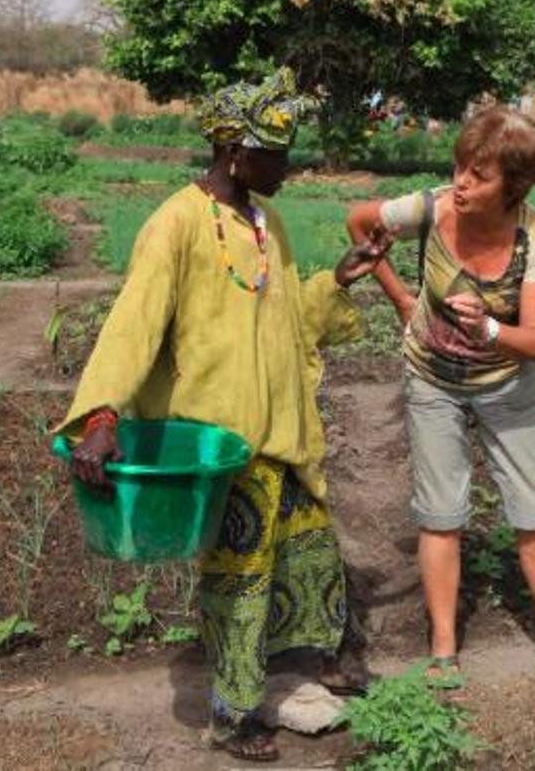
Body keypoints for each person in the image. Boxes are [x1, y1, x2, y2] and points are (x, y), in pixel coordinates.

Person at [56, 68, 393, 762]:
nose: (290, 166)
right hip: (223, 444)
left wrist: (337, 277)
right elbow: (134, 324)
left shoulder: (268, 224)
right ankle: (233, 715)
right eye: (278, 153)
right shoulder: (176, 225)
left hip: (282, 433)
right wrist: (101, 415)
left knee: (309, 555)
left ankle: (320, 661)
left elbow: (290, 318)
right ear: (235, 153)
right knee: (238, 582)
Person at [345, 106, 535, 683]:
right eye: (460, 167)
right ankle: (442, 646)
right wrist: (402, 299)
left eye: (479, 176)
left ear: (513, 187)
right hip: (431, 379)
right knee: (441, 514)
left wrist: (487, 327)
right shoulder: (429, 208)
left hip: (505, 381)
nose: (462, 183)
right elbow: (360, 223)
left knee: (533, 506)